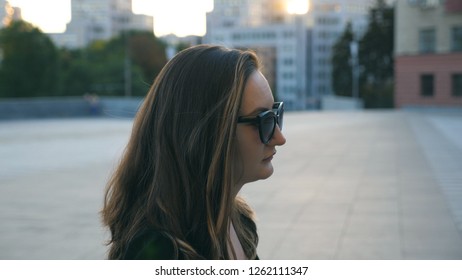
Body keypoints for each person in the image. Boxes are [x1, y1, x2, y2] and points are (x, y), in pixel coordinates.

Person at [101, 45, 286, 260]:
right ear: (209, 134)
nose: (279, 138)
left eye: (275, 115)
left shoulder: (239, 222)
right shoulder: (156, 252)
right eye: (263, 121)